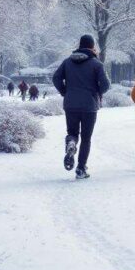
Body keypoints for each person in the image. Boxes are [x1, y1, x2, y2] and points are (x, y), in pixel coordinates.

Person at [52, 35, 111, 179]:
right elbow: (106, 85)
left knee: (72, 132)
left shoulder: (67, 62)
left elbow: (56, 78)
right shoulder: (96, 64)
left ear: (80, 45)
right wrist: (96, 92)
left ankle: (71, 143)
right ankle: (80, 169)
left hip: (71, 104)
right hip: (89, 106)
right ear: (92, 47)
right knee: (86, 138)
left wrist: (65, 91)